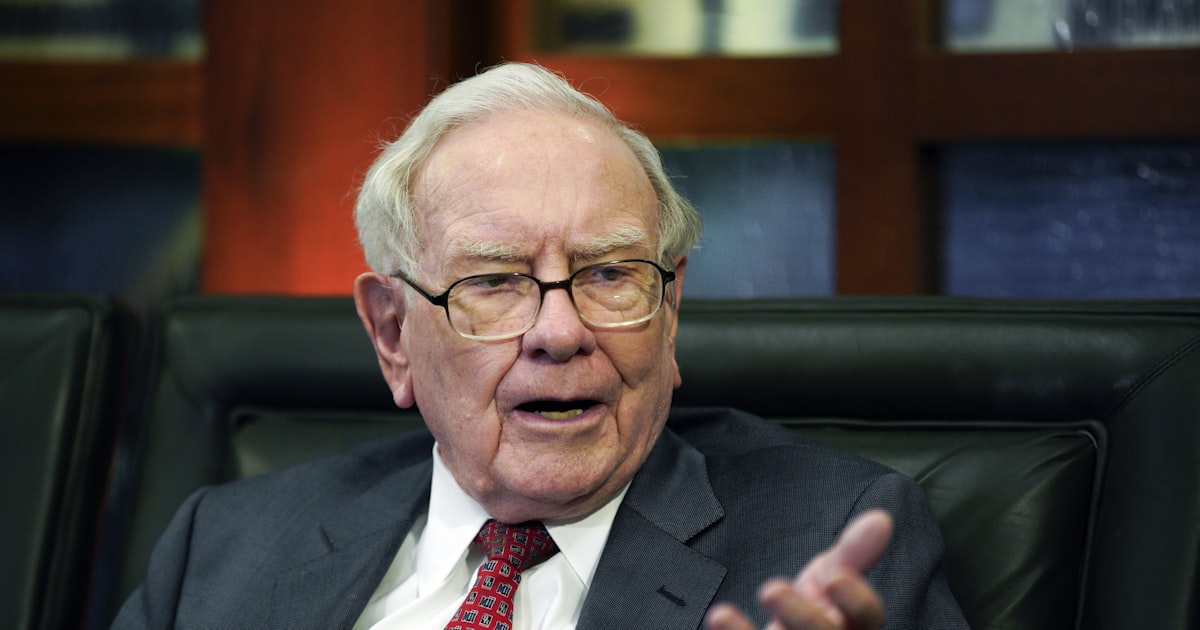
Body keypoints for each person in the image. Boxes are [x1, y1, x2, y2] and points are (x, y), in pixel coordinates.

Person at [113, 62, 966, 629]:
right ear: (393, 334)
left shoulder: (830, 544)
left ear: (669, 313)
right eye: (495, 282)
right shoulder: (224, 549)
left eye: (610, 274)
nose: (561, 332)